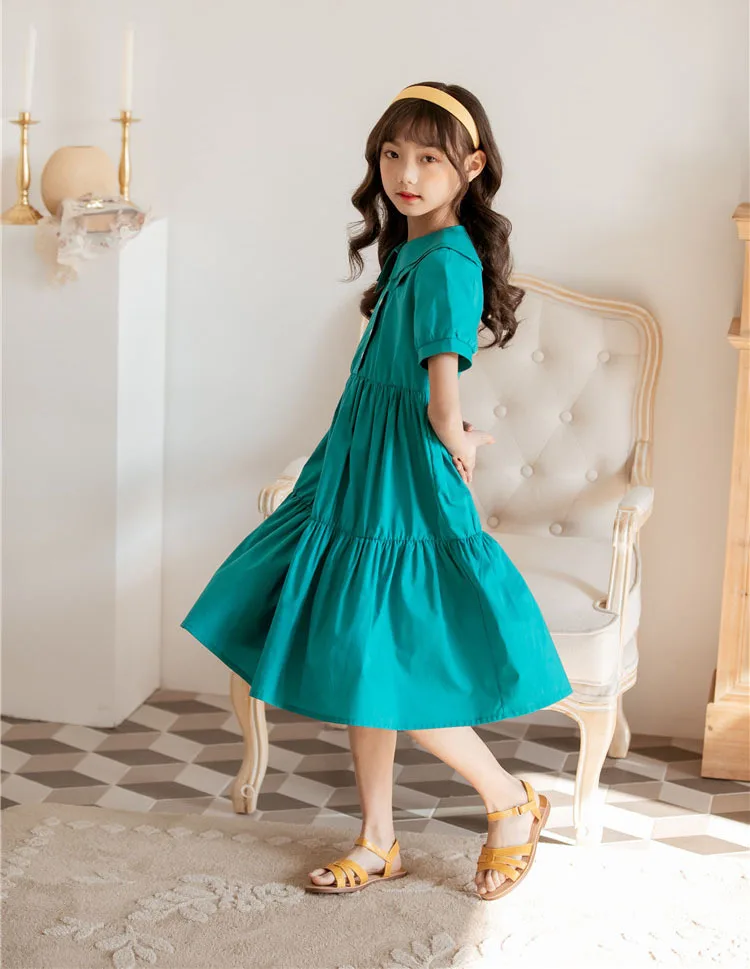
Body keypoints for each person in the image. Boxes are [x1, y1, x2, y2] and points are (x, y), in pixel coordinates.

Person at [181, 81, 572, 901]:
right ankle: (378, 838)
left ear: (472, 166)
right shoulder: (414, 251)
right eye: (393, 154)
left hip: (401, 482)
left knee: (388, 661)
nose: (406, 173)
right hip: (363, 464)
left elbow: (441, 396)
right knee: (367, 655)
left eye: (429, 157)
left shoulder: (449, 259)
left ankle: (509, 798)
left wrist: (457, 437)